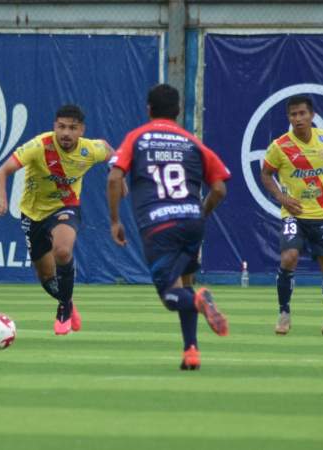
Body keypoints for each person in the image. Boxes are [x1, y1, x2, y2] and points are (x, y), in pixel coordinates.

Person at [107, 84, 230, 371]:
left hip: (159, 226)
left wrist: (115, 221)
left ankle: (201, 300)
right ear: (177, 111)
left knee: (172, 297)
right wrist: (201, 212)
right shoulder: (192, 142)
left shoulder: (137, 137)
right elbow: (220, 189)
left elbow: (114, 179)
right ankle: (191, 351)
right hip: (192, 221)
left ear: (149, 109)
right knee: (185, 283)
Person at [0, 105, 115, 335]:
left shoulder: (91, 149)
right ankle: (68, 301)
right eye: (61, 127)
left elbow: (110, 152)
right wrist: (1, 198)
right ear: (54, 127)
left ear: (81, 130)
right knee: (47, 277)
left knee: (62, 251)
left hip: (65, 207)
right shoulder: (39, 146)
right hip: (32, 213)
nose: (66, 133)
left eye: (72, 128)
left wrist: (116, 173)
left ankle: (63, 308)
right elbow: (1, 172)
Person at [260, 95, 323, 337]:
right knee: (289, 257)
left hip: (322, 215)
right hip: (293, 215)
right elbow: (265, 174)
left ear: (312, 115)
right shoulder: (280, 146)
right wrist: (281, 198)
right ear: (289, 118)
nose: (298, 119)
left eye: (302, 113)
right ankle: (284, 314)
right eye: (293, 114)